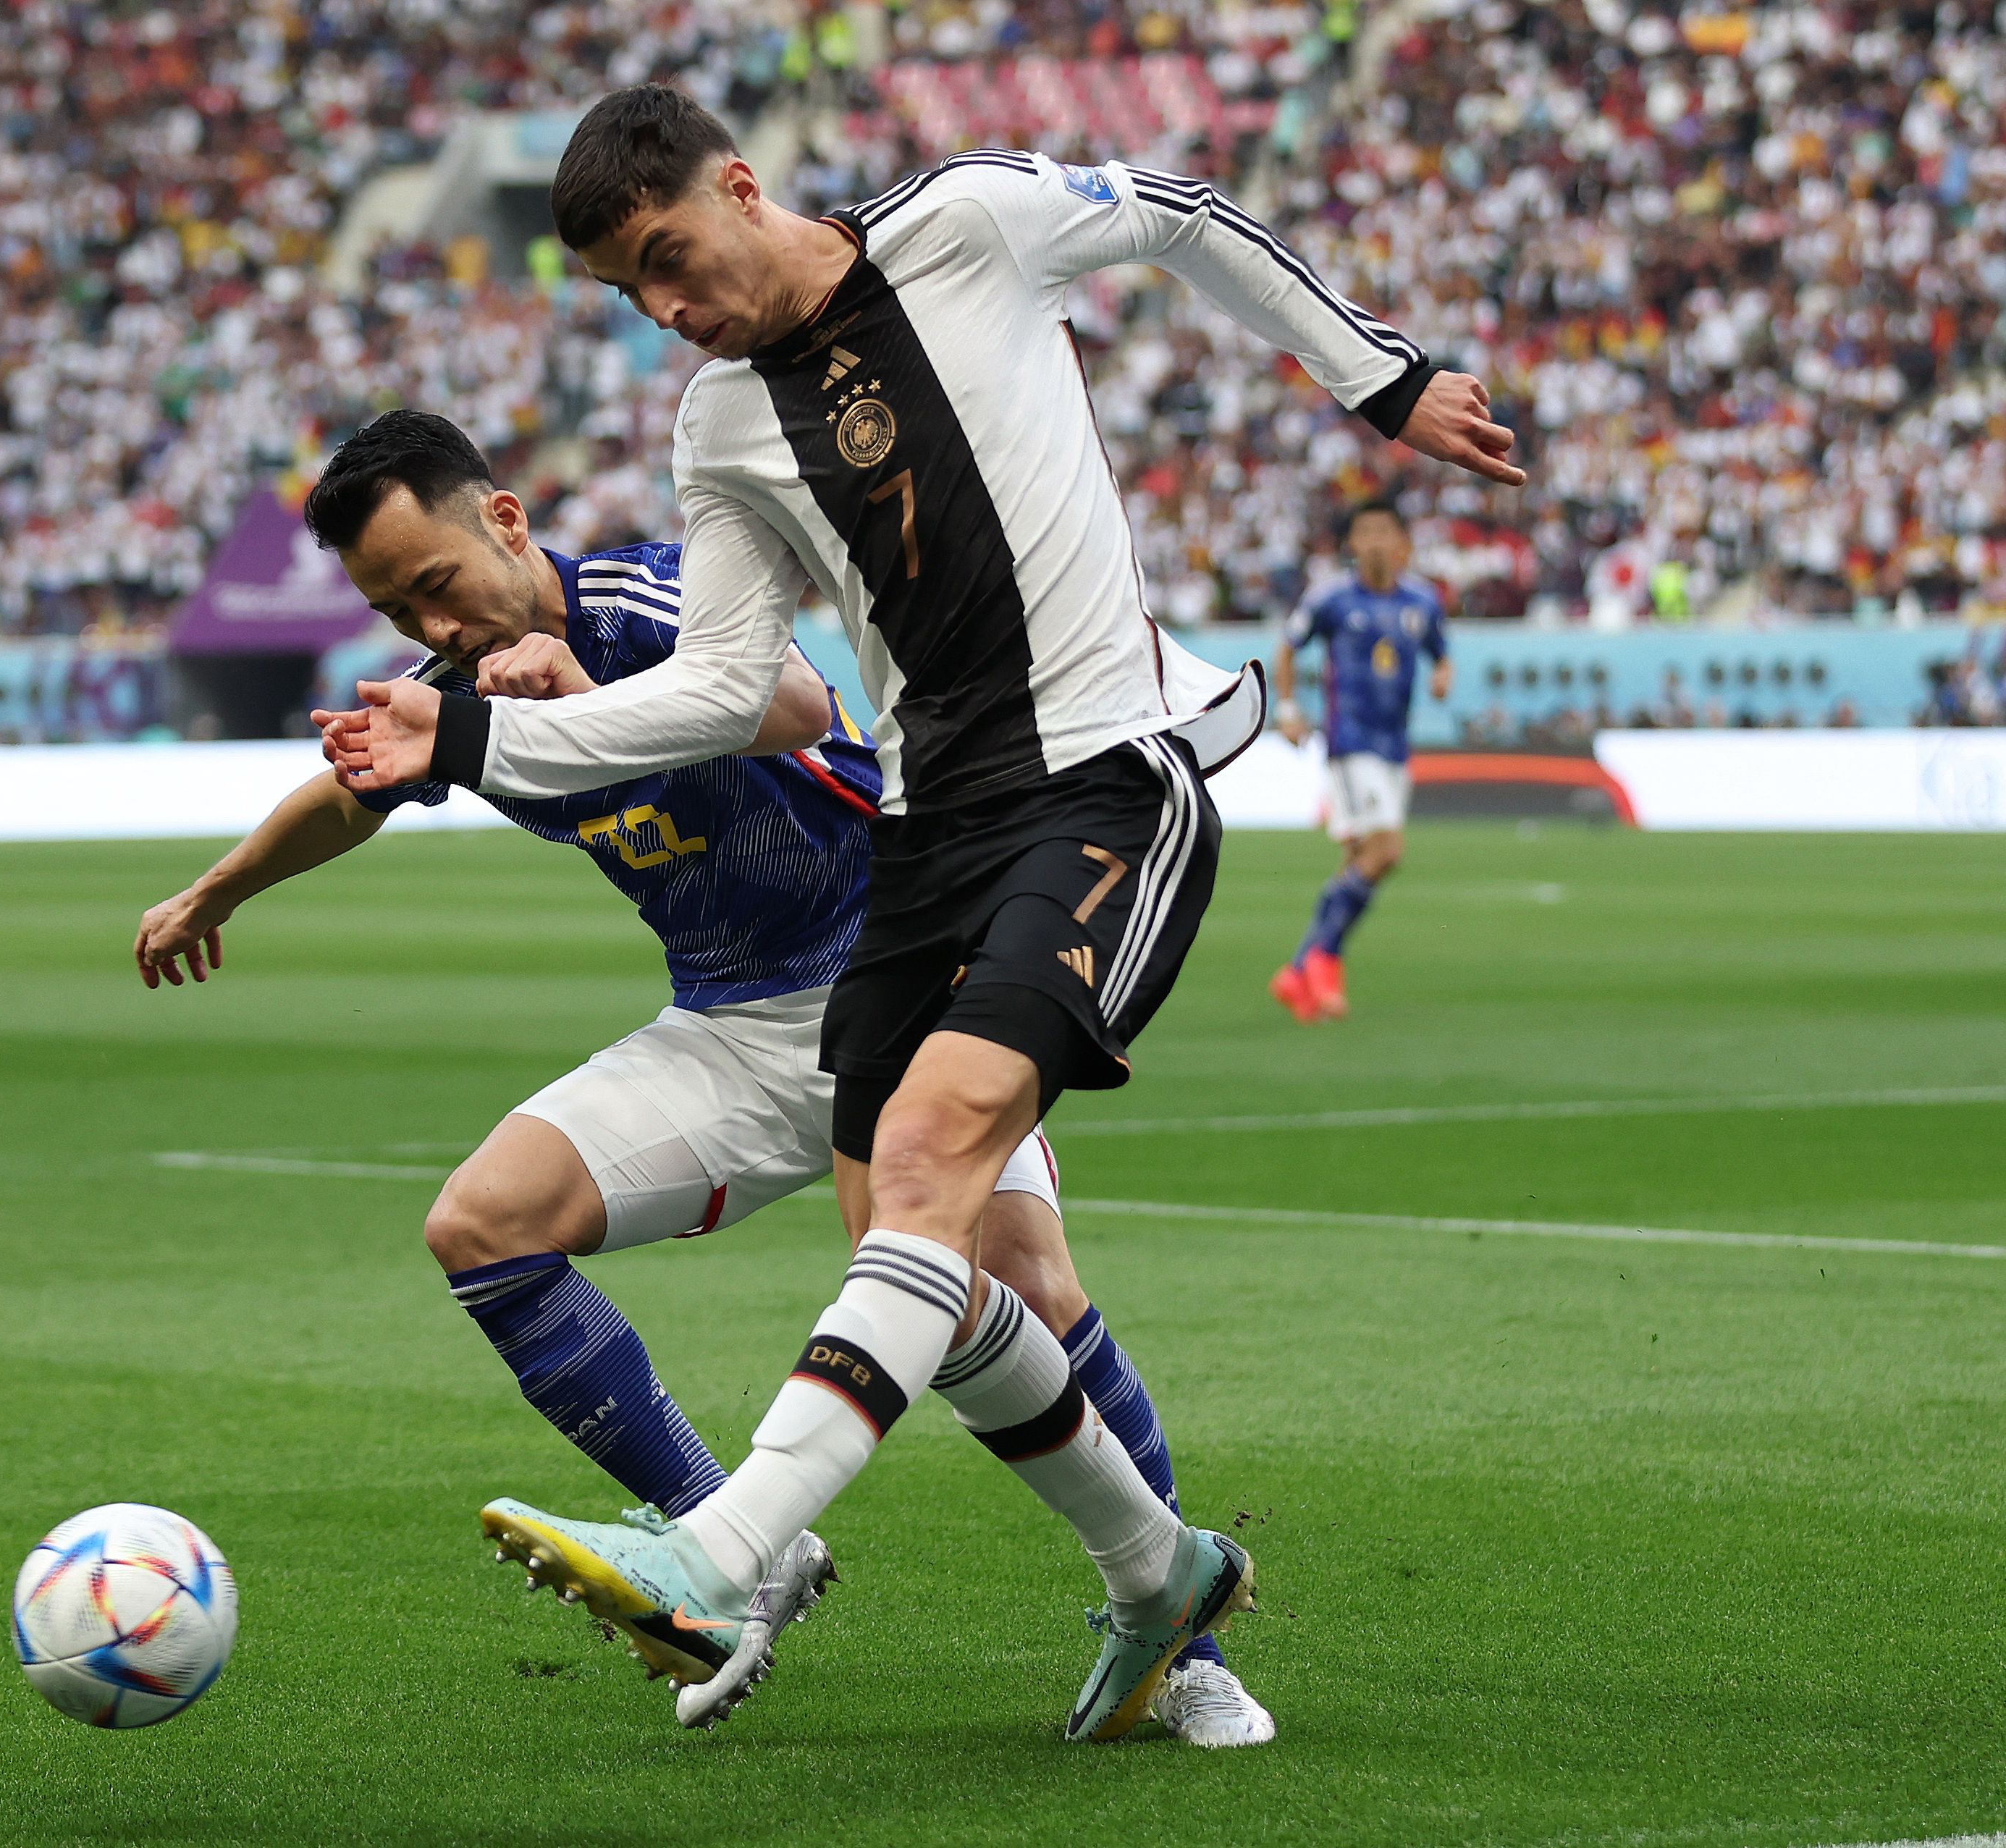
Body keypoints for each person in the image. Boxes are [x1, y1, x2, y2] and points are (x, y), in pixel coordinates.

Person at [317, 87, 1520, 1741]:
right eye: (626, 293)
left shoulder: (962, 223)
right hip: (929, 833)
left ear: (738, 188)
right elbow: (726, 691)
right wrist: (460, 732)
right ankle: (1158, 1572)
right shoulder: (718, 425)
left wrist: (1373, 376)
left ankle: (717, 1549)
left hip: (1107, 778)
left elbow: (1177, 213)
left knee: (942, 1161)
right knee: (932, 1260)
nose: (665, 308)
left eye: (670, 258)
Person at [140, 411, 1274, 1745]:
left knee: (1017, 1288)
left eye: (433, 583)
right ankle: (729, 1548)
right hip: (729, 1024)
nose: (427, 624)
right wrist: (220, 886)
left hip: (904, 974)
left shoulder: (639, 596)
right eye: (394, 606)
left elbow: (794, 705)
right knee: (483, 1225)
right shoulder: (455, 689)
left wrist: (586, 700)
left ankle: (1183, 1642)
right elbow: (352, 790)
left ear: (504, 521)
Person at [1268, 499, 1451, 1023]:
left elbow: (1442, 649)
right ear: (1351, 544)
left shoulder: (1422, 599)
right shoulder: (1331, 599)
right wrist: (1287, 709)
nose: (1372, 541)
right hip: (1351, 742)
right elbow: (1288, 646)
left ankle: (1301, 972)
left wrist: (1443, 675)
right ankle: (1323, 962)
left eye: (1382, 531)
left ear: (1401, 543)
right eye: (1363, 531)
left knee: (1356, 860)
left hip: (1395, 747)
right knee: (1386, 850)